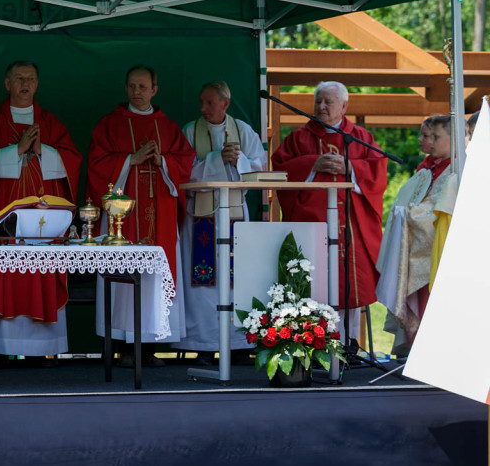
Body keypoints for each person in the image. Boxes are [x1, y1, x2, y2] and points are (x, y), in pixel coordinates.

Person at [0, 61, 82, 358]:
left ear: (37, 84)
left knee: (40, 273)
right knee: (3, 273)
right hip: (2, 211)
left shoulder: (51, 123)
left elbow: (71, 160)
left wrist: (43, 150)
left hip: (42, 215)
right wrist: (17, 149)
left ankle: (45, 349)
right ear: (7, 83)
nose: (25, 83)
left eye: (30, 78)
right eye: (19, 78)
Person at [87, 66, 195, 362]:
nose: (137, 91)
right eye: (132, 86)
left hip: (160, 211)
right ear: (126, 88)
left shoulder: (169, 127)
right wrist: (129, 161)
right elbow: (96, 165)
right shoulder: (110, 125)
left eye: (143, 86)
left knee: (156, 277)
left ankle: (151, 347)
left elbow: (186, 163)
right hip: (124, 221)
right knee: (122, 276)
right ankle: (123, 345)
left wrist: (163, 162)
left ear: (154, 90)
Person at [271, 81, 387, 340]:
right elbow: (279, 168)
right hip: (313, 227)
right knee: (313, 287)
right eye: (318, 102)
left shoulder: (360, 137)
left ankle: (350, 345)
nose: (321, 107)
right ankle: (312, 343)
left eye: (328, 102)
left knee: (351, 288)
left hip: (351, 229)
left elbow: (378, 171)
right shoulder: (299, 138)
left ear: (344, 106)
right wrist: (313, 164)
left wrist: (351, 168)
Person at [179, 81, 265, 361]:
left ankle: (238, 344)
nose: (203, 109)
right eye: (201, 103)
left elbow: (260, 170)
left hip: (235, 215)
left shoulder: (244, 131)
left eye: (210, 103)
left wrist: (239, 160)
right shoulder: (190, 132)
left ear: (225, 103)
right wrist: (217, 158)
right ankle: (203, 344)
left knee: (236, 280)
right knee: (203, 283)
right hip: (200, 218)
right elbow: (182, 172)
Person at [377, 115, 456, 349]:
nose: (428, 141)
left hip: (438, 249)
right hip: (418, 248)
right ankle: (417, 352)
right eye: (426, 136)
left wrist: (409, 215)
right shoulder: (426, 168)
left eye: (434, 136)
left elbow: (439, 209)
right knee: (419, 304)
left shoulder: (457, 169)